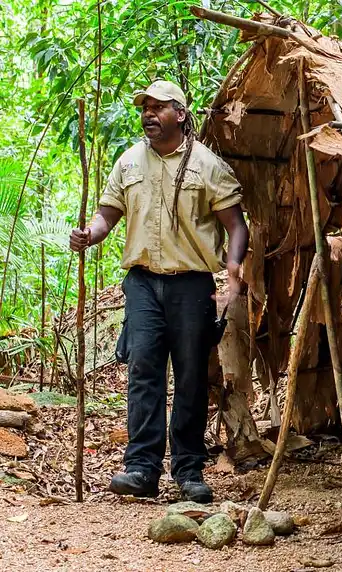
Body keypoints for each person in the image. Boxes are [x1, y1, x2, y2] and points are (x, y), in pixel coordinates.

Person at [69, 80, 249, 503]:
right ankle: (142, 469)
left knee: (189, 376)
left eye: (159, 107)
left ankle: (188, 470)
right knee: (144, 371)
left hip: (191, 285)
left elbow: (236, 225)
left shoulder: (207, 166)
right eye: (145, 107)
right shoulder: (129, 162)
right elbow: (106, 215)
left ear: (181, 115)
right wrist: (88, 235)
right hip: (143, 283)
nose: (149, 113)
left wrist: (234, 270)